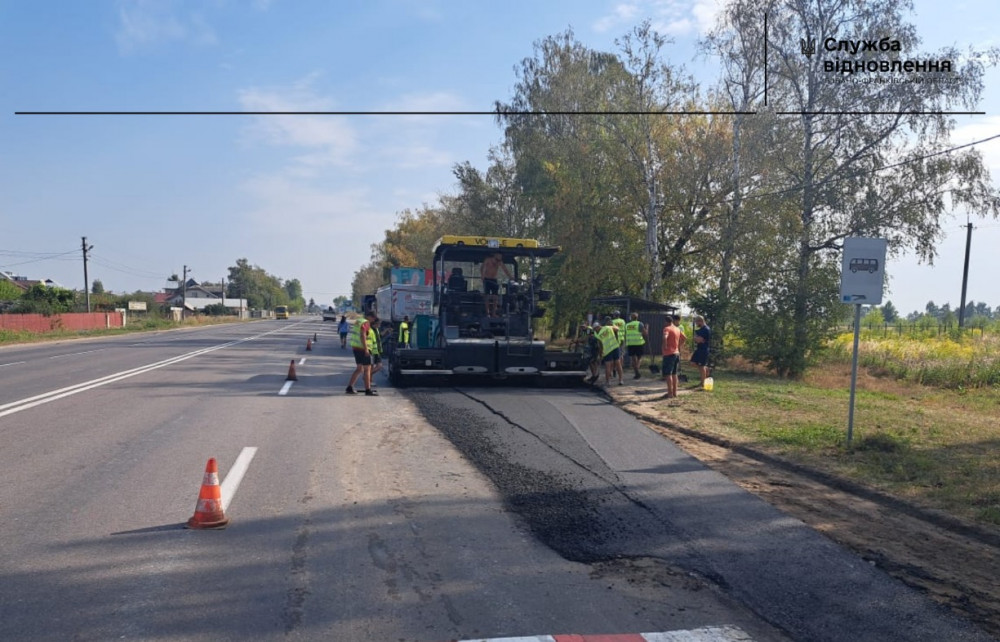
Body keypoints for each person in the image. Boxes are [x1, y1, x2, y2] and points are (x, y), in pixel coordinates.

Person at [346, 311, 378, 396]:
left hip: (356, 348)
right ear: (369, 317)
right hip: (362, 348)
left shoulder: (359, 320)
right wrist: (366, 349)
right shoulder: (365, 323)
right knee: (367, 369)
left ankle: (349, 387)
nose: (373, 320)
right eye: (373, 318)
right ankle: (368, 390)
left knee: (360, 369)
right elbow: (362, 335)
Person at [662, 314, 686, 399]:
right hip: (676, 353)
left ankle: (669, 393)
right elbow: (684, 338)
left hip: (669, 354)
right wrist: (679, 346)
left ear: (666, 321)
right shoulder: (677, 329)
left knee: (668, 374)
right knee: (674, 373)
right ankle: (675, 392)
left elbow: (665, 337)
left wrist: (665, 346)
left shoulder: (666, 328)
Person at [481, 252, 513, 317]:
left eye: (500, 257)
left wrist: (510, 277)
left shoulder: (500, 262)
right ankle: (487, 313)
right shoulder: (488, 260)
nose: (500, 258)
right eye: (498, 257)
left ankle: (493, 313)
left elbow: (505, 269)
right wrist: (483, 276)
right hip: (487, 279)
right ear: (495, 255)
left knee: (495, 297)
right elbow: (483, 268)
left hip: (494, 280)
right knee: (487, 296)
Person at [597, 316, 623, 386]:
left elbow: (600, 346)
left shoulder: (599, 335)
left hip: (607, 350)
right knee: (618, 363)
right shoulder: (609, 327)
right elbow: (617, 329)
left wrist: (600, 355)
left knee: (607, 366)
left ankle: (608, 382)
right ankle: (620, 380)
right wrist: (613, 327)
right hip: (615, 347)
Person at [624, 312, 648, 379]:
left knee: (633, 359)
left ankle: (636, 372)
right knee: (639, 358)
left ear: (631, 318)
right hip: (639, 343)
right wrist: (647, 328)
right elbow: (645, 333)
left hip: (630, 343)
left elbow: (625, 334)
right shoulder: (639, 324)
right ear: (637, 317)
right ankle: (637, 369)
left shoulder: (627, 325)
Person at [691, 315, 712, 387]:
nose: (696, 324)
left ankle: (703, 383)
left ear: (700, 321)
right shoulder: (701, 329)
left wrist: (696, 338)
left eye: (696, 322)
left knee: (701, 366)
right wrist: (696, 338)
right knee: (693, 363)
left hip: (703, 349)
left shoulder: (706, 329)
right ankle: (707, 369)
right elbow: (695, 339)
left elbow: (698, 340)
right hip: (699, 349)